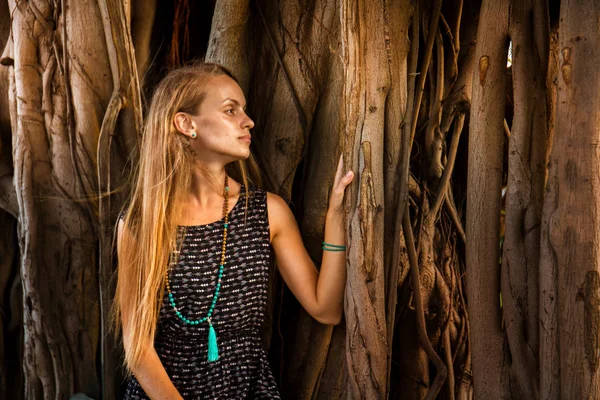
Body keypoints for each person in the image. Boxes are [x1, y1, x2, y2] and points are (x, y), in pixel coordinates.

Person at [113, 62, 354, 399]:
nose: (248, 121)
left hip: (246, 389)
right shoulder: (142, 223)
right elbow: (138, 346)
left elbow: (325, 308)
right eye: (231, 110)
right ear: (186, 124)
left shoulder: (267, 213)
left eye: (245, 110)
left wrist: (337, 217)